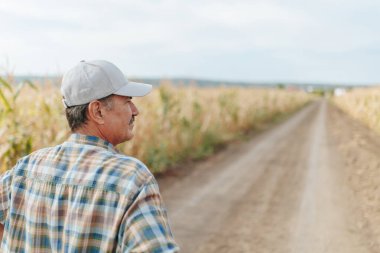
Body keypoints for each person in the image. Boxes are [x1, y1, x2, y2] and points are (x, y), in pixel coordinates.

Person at [0, 60, 179, 252]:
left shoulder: (25, 169)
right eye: (128, 101)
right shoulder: (131, 178)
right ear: (97, 111)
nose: (135, 111)